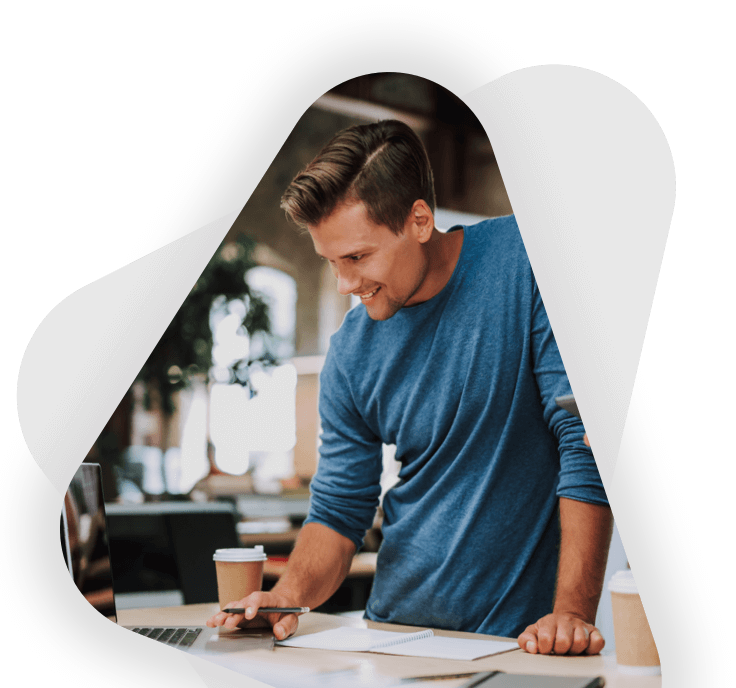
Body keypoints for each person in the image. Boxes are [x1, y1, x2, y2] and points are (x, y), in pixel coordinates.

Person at [208, 120, 613, 655]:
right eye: (330, 262)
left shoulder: (530, 261)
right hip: (394, 633)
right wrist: (285, 597)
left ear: (419, 221)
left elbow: (586, 440)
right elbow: (338, 510)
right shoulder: (351, 351)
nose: (345, 284)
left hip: (519, 641)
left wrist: (570, 614)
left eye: (357, 257)